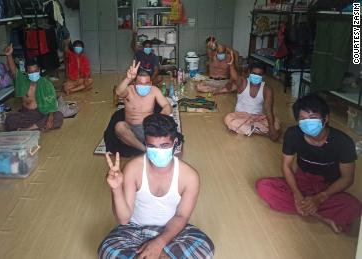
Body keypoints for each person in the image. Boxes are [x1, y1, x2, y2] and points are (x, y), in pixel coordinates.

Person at [98, 114, 214, 259]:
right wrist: (116, 189)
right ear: (145, 143)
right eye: (152, 146)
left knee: (204, 245)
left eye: (164, 146)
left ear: (175, 142)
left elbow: (181, 216)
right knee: (107, 249)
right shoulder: (133, 168)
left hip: (172, 232)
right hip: (135, 230)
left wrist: (159, 243)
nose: (158, 151)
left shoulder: (189, 176)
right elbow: (123, 220)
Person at [256, 94, 362, 233]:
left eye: (313, 118)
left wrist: (321, 197)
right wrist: (296, 194)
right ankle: (320, 216)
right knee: (264, 186)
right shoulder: (293, 134)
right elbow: (286, 166)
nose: (308, 122)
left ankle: (307, 206)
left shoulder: (342, 142)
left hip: (327, 186)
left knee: (354, 209)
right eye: (303, 119)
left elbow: (347, 178)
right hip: (302, 181)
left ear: (326, 118)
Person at [114, 60, 172, 152]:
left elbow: (167, 105)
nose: (143, 86)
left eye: (146, 83)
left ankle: (146, 145)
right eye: (140, 83)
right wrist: (128, 78)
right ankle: (144, 149)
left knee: (167, 133)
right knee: (119, 127)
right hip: (130, 129)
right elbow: (118, 92)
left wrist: (161, 116)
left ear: (151, 83)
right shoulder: (129, 90)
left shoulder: (154, 90)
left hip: (148, 128)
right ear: (134, 83)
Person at [3, 44, 63, 131]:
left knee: (58, 116)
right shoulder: (22, 81)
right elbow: (13, 71)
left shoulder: (46, 83)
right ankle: (37, 127)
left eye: (35, 71)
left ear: (39, 70)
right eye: (30, 72)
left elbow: (52, 104)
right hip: (26, 115)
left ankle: (28, 129)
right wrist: (9, 55)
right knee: (9, 119)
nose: (33, 73)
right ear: (27, 72)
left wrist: (50, 118)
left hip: (41, 113)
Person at [224, 58, 280, 141]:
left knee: (276, 123)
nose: (256, 76)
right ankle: (260, 131)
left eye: (259, 74)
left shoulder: (267, 89)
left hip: (257, 118)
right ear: (249, 72)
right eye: (254, 73)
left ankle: (250, 129)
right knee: (229, 119)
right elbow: (235, 78)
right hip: (240, 116)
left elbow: (268, 110)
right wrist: (232, 66)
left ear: (263, 76)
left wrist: (272, 128)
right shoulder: (243, 82)